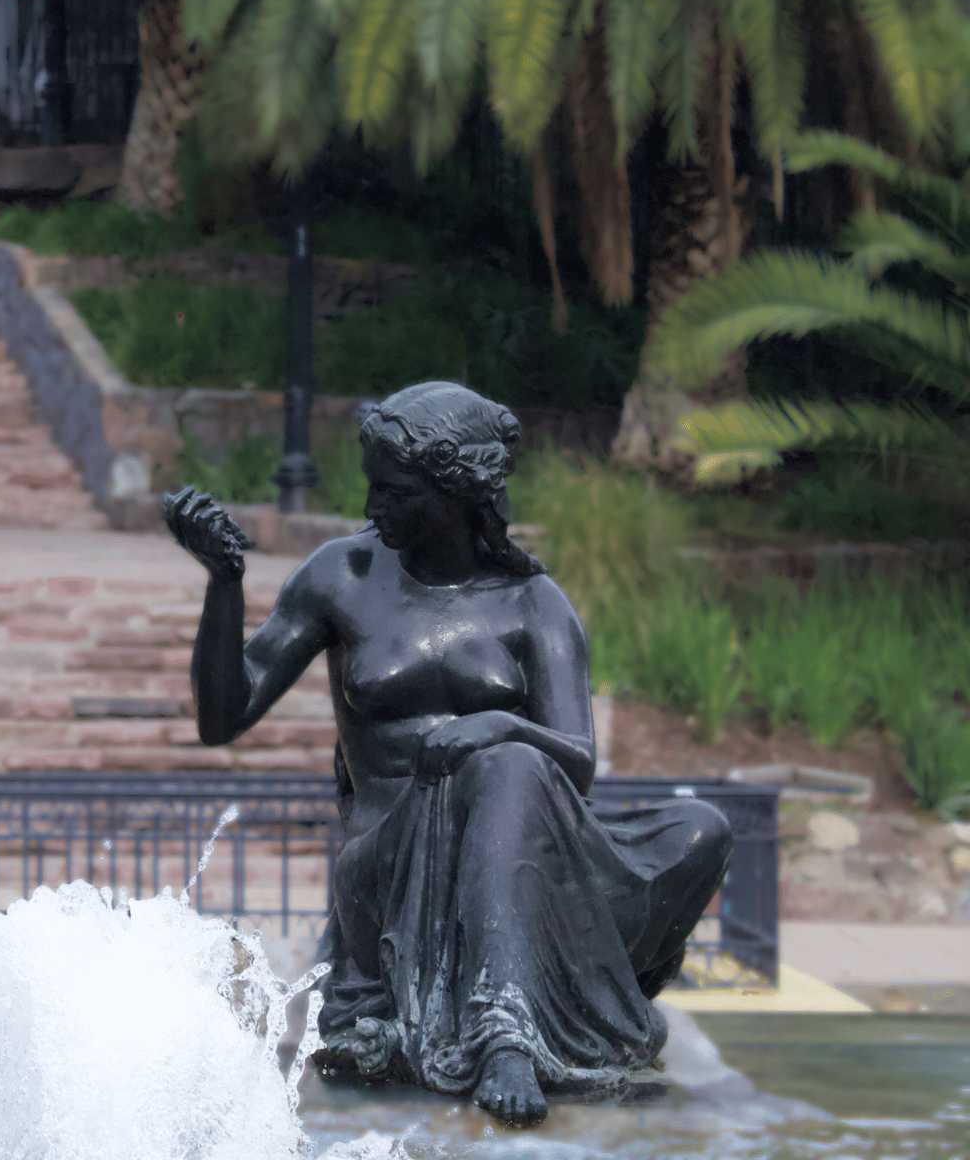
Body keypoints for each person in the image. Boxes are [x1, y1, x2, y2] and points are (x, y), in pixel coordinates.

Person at [162, 381, 733, 1128]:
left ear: (453, 491)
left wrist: (499, 728)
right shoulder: (344, 576)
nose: (373, 509)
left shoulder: (535, 603)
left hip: (517, 859)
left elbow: (578, 762)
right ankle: (505, 1037)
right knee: (507, 763)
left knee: (702, 830)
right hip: (391, 866)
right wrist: (224, 584)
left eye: (393, 492)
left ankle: (535, 991)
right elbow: (223, 717)